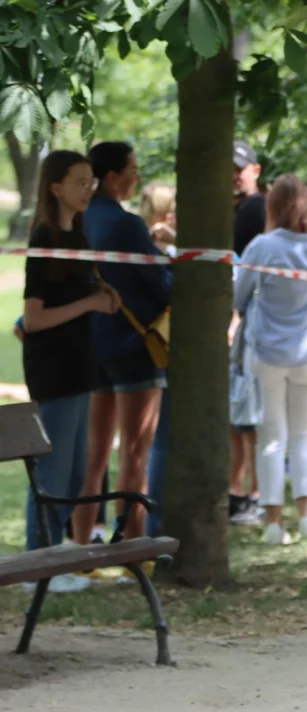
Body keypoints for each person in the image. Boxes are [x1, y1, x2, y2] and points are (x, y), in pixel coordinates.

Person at [21, 150, 120, 592]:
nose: (88, 189)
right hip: (53, 371)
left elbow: (84, 295)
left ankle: (51, 556)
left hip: (81, 367)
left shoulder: (77, 239)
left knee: (77, 473)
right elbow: (34, 319)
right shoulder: (44, 240)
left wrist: (103, 292)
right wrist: (90, 303)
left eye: (91, 182)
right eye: (80, 181)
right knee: (54, 473)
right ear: (55, 186)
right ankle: (36, 565)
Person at [234, 175, 307, 545]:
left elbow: (239, 297)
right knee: (304, 437)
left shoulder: (262, 247)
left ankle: (273, 522)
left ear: (272, 206)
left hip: (266, 353)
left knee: (270, 439)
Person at [78, 141, 171, 543]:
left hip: (90, 343)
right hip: (134, 347)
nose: (137, 176)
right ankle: (133, 546)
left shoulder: (80, 219)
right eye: (132, 168)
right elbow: (160, 283)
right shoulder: (127, 224)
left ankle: (81, 542)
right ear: (113, 176)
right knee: (135, 452)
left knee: (94, 455)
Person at [229, 140, 266, 524]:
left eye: (240, 167)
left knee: (248, 417)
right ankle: (237, 491)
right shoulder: (235, 209)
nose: (234, 176)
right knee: (236, 417)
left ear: (255, 169)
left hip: (246, 325)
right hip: (235, 322)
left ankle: (253, 494)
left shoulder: (256, 209)